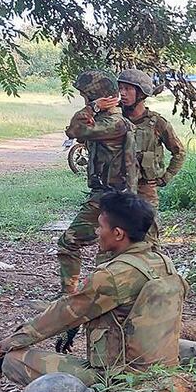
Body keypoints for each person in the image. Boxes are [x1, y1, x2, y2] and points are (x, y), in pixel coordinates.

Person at [0, 192, 187, 387]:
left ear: (117, 233)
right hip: (159, 367)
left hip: (119, 378)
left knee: (13, 359)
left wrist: (0, 349)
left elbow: (61, 315)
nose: (97, 232)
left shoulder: (112, 276)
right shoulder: (162, 261)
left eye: (100, 226)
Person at [57, 70, 138, 295]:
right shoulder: (107, 121)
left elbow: (74, 130)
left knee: (69, 242)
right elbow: (79, 136)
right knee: (109, 253)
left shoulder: (113, 123)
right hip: (109, 197)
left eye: (86, 97)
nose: (84, 101)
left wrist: (93, 108)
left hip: (109, 198)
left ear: (98, 96)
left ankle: (69, 300)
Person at [117, 69, 186, 248]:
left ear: (141, 93)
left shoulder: (157, 123)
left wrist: (166, 177)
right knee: (117, 237)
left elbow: (179, 152)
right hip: (117, 187)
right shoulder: (114, 120)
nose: (122, 93)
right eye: (120, 88)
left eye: (128, 89)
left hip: (145, 189)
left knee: (149, 238)